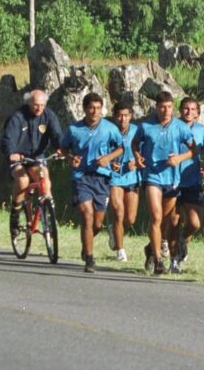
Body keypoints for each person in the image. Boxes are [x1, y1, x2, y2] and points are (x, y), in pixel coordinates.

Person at [59, 93, 123, 273]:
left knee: (97, 224)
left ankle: (86, 244)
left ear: (102, 110)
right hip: (81, 177)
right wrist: (70, 158)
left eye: (98, 108)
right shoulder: (74, 129)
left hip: (102, 178)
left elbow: (120, 148)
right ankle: (89, 258)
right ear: (84, 109)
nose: (95, 112)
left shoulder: (109, 128)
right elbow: (62, 149)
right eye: (91, 108)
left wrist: (108, 158)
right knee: (86, 215)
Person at [133, 91, 194, 276]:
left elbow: (194, 150)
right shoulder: (146, 126)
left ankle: (151, 248)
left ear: (173, 107)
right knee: (156, 217)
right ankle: (159, 260)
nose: (166, 110)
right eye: (162, 107)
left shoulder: (181, 127)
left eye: (169, 107)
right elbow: (135, 143)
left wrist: (179, 158)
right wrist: (137, 156)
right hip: (152, 176)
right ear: (156, 107)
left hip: (172, 178)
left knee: (166, 222)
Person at [1, 89, 63, 241]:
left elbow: (56, 134)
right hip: (19, 158)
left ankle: (48, 214)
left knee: (45, 179)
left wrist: (60, 148)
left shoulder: (49, 115)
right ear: (29, 103)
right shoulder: (17, 117)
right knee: (22, 180)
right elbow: (8, 139)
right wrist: (11, 153)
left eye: (42, 105)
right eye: (36, 105)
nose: (39, 108)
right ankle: (15, 216)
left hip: (37, 158)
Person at [170, 97, 204, 273]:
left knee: (194, 223)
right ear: (180, 110)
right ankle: (174, 260)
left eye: (193, 109)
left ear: (198, 112)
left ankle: (182, 239)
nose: (189, 112)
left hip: (192, 180)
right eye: (186, 109)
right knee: (173, 221)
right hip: (171, 179)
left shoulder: (202, 130)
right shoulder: (172, 127)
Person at [107, 101, 140, 262]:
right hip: (114, 177)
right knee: (118, 211)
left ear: (131, 116)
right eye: (119, 115)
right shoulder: (108, 131)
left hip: (132, 177)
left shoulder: (137, 131)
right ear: (114, 117)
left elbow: (145, 151)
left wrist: (137, 161)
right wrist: (109, 163)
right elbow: (100, 151)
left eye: (126, 115)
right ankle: (120, 250)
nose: (122, 119)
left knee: (130, 219)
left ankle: (115, 232)